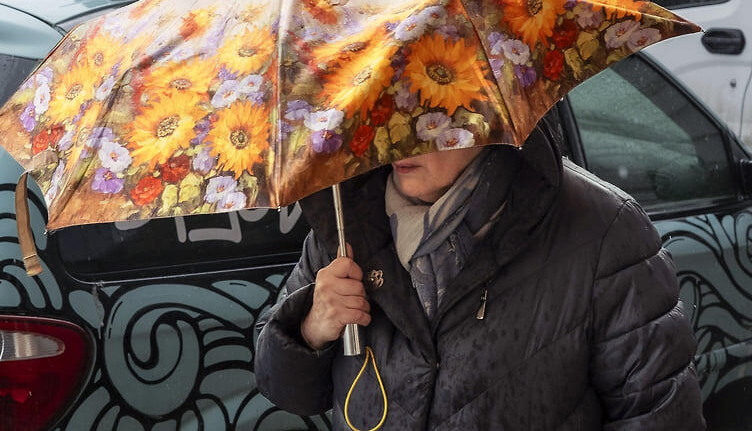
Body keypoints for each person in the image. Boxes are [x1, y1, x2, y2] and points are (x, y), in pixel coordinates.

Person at [255, 114, 706, 429]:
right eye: (387, 110)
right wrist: (312, 328)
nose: (398, 134)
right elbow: (287, 391)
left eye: (426, 112)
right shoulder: (345, 225)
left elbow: (658, 411)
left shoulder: (602, 229)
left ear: (482, 110)